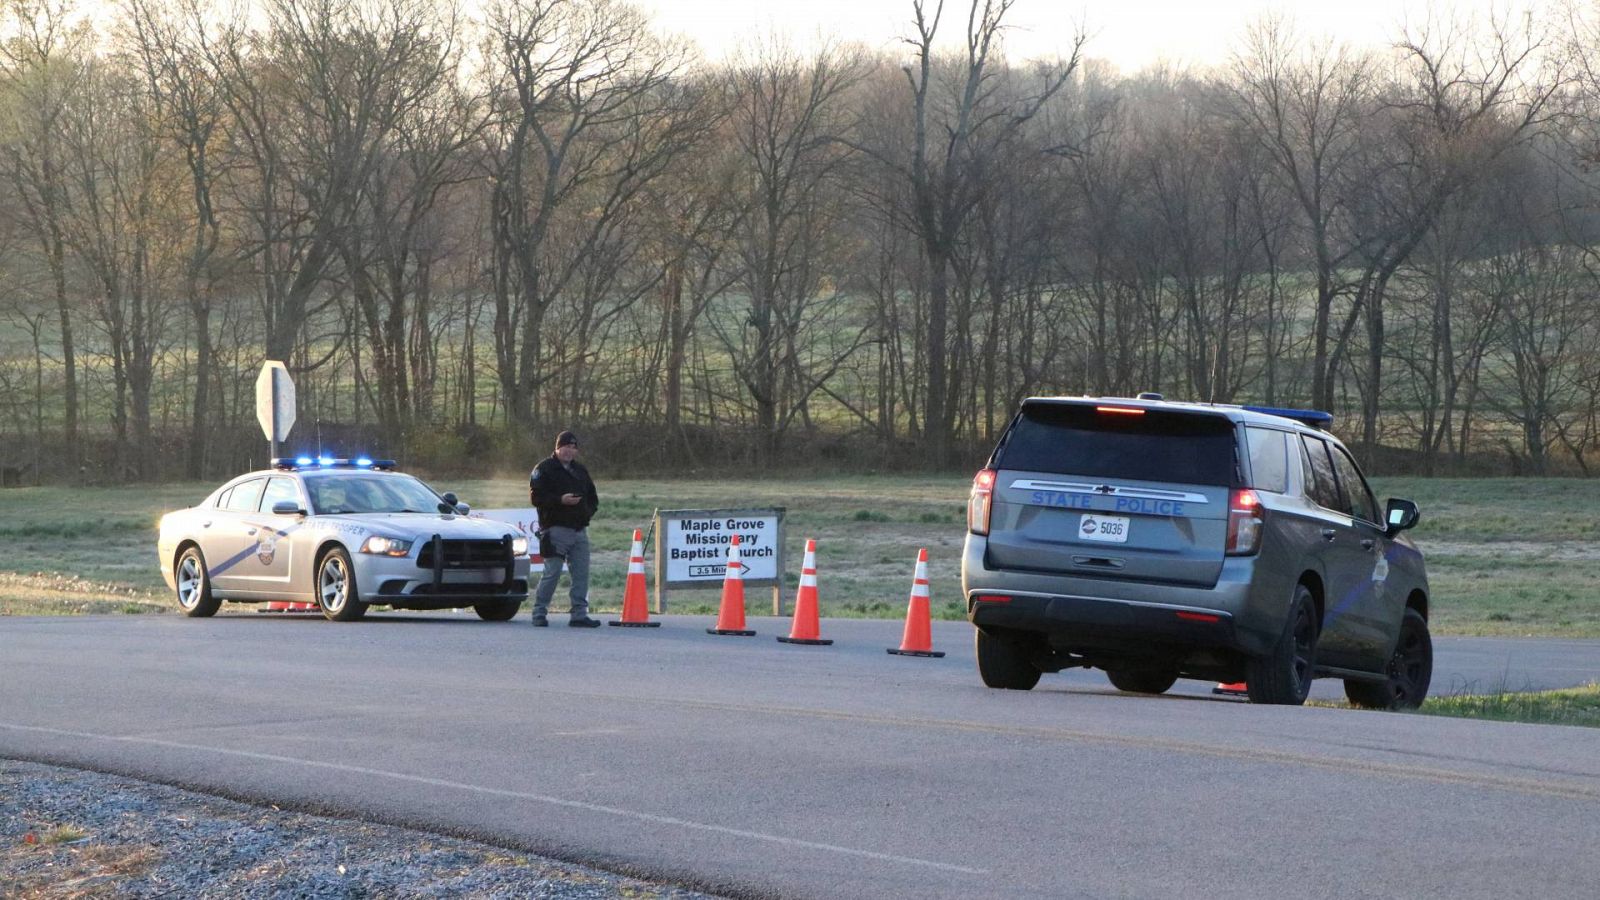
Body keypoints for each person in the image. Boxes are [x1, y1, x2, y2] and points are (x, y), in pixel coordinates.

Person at [529, 430, 601, 627]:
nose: (569, 451)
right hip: (555, 529)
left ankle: (579, 614)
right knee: (552, 573)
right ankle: (539, 613)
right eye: (565, 447)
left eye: (573, 447)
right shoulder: (544, 469)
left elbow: (593, 498)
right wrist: (560, 500)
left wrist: (586, 512)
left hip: (579, 530)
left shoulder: (580, 471)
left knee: (581, 574)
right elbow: (536, 498)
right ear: (557, 447)